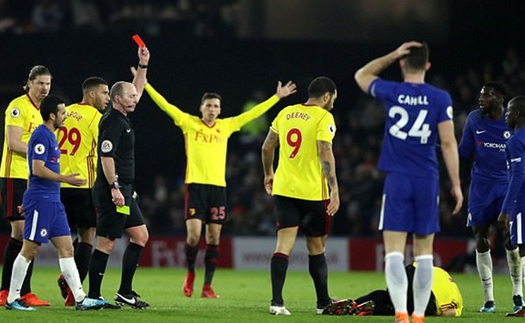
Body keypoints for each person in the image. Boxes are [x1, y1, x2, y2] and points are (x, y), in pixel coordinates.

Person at [140, 70, 297, 299]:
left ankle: (207, 286)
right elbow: (166, 105)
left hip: (218, 189)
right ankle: (191, 273)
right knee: (193, 237)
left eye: (215, 106)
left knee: (213, 238)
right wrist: (146, 86)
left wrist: (276, 98)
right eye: (208, 106)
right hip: (195, 187)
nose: (212, 109)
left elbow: (252, 114)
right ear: (201, 108)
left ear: (220, 110)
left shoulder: (226, 126)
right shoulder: (189, 123)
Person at [354, 41, 463, 323]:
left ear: (403, 64)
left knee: (394, 251)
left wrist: (392, 54)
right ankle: (418, 316)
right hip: (427, 179)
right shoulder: (440, 98)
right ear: (427, 66)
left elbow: (361, 75)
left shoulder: (392, 91)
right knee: (424, 252)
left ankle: (401, 312)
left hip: (398, 179)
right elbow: (449, 142)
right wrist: (457, 185)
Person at [4, 95, 108, 311]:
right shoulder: (41, 135)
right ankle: (12, 298)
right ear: (52, 116)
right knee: (29, 249)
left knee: (67, 248)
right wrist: (67, 179)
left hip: (53, 201)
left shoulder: (51, 135)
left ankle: (80, 299)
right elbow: (38, 168)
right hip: (41, 200)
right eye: (62, 113)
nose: (65, 116)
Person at [261, 76, 340, 315]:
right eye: (333, 99)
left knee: (283, 245)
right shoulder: (324, 117)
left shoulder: (286, 112)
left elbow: (267, 146)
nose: (333, 104)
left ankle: (276, 303)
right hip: (313, 192)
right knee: (316, 246)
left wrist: (268, 174)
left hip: (284, 189)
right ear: (326, 96)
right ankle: (322, 303)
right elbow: (325, 151)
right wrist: (334, 188)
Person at [87, 46, 151, 309]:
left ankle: (125, 291)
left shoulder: (122, 115)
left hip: (125, 188)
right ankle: (93, 296)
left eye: (135, 96)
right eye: (131, 97)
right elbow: (106, 156)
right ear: (117, 99)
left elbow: (136, 89)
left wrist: (143, 64)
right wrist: (114, 186)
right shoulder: (113, 121)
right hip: (113, 188)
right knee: (106, 241)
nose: (136, 98)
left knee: (140, 236)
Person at [459, 81, 523, 313]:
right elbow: (464, 152)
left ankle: (518, 292)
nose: (481, 98)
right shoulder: (475, 119)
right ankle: (489, 299)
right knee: (480, 236)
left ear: (499, 98)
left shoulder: (514, 120)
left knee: (511, 237)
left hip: (507, 185)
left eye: (486, 95)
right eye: (480, 94)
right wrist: (440, 147)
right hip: (481, 187)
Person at [56, 76, 110, 306]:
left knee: (59, 237)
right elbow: (106, 153)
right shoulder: (97, 118)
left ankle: (18, 290)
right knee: (88, 237)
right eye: (104, 93)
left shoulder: (62, 112)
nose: (107, 98)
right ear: (91, 94)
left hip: (57, 184)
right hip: (83, 185)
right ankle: (72, 292)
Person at [0, 65, 51, 307]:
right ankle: (5, 291)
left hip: (34, 178)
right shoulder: (18, 107)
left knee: (30, 233)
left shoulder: (43, 112)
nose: (44, 88)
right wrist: (41, 150)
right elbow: (12, 143)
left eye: (48, 84)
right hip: (15, 175)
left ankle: (25, 292)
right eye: (40, 83)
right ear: (29, 83)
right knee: (20, 232)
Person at [323, 264, 463, 317]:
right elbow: (447, 313)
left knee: (387, 296)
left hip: (411, 272)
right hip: (427, 297)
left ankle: (355, 303)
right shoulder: (458, 301)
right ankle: (369, 309)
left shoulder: (440, 272)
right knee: (398, 308)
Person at [500, 96, 525, 318]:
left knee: (523, 249)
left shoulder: (515, 141)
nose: (505, 115)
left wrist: (506, 209)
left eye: (508, 111)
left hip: (522, 203)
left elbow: (517, 176)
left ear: (517, 114)